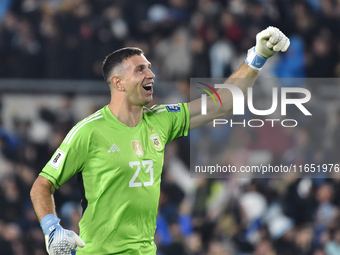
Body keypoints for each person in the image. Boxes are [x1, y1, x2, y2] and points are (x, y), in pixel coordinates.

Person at [30, 26, 290, 255]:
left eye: (150, 68)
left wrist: (256, 58)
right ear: (118, 83)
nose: (151, 74)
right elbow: (42, 185)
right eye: (140, 69)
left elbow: (220, 105)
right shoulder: (89, 131)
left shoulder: (161, 120)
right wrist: (52, 229)